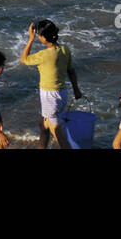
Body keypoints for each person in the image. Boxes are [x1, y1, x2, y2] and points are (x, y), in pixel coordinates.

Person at [21, 18, 82, 149]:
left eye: (38, 35)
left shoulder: (43, 55)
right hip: (62, 94)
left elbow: (24, 59)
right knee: (43, 125)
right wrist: (76, 90)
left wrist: (30, 39)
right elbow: (71, 72)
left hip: (49, 96)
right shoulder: (65, 50)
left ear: (43, 38)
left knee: (57, 131)